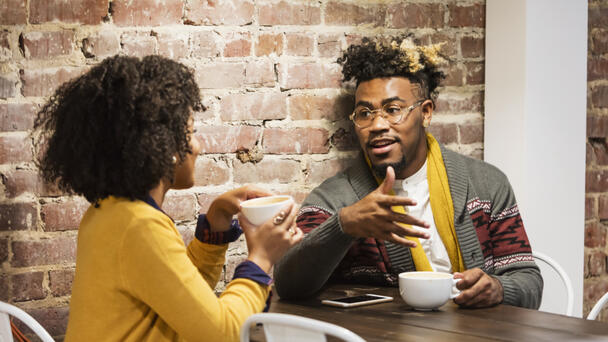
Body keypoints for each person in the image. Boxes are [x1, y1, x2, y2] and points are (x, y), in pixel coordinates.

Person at [33, 55, 303, 341]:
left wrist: (216, 223)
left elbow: (180, 298)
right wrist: (261, 259)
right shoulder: (140, 226)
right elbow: (224, 333)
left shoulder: (108, 213)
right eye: (191, 132)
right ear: (165, 147)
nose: (198, 146)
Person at [273, 36, 542, 309]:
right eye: (364, 113)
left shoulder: (485, 184)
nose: (377, 124)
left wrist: (498, 288)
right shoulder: (336, 199)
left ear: (425, 113)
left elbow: (529, 282)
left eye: (392, 110)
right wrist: (343, 226)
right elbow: (287, 284)